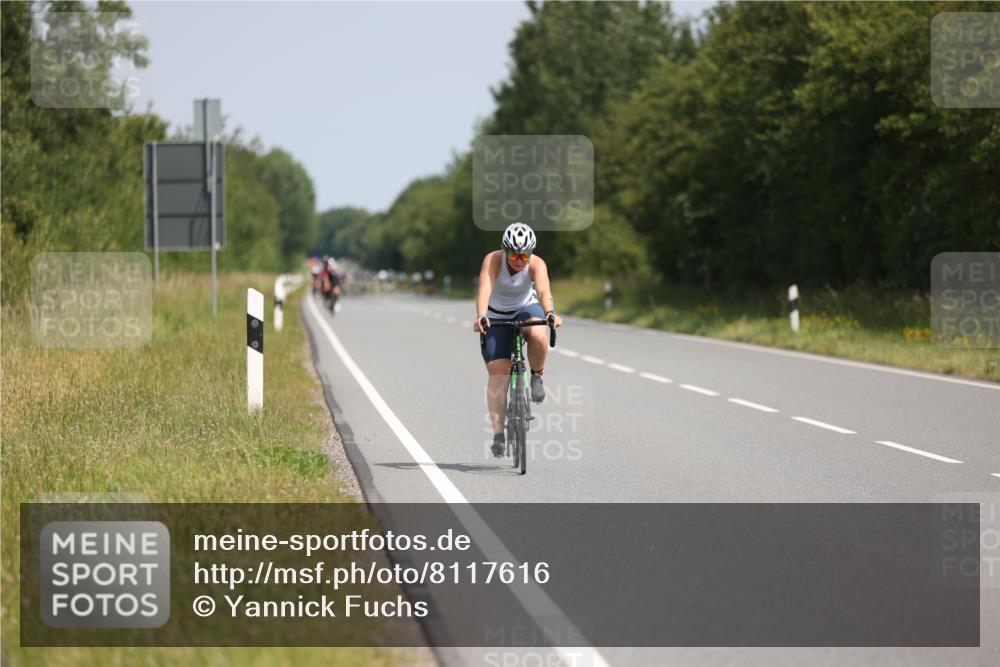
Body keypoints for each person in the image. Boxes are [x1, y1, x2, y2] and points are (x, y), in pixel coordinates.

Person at [473, 222, 563, 458]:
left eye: (525, 255)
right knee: (498, 371)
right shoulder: (493, 260)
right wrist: (481, 316)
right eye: (514, 254)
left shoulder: (536, 263)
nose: (520, 260)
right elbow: (484, 289)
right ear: (505, 250)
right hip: (496, 314)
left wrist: (550, 312)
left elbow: (543, 291)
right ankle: (498, 435)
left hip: (525, 307)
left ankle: (536, 376)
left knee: (538, 333)